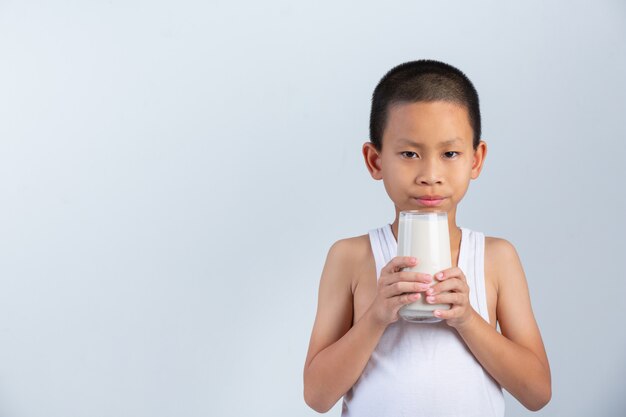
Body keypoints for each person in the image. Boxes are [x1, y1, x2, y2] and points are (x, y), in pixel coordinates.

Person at [303, 59, 551, 416]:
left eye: (450, 153)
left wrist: (467, 318)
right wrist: (376, 316)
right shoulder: (351, 258)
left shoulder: (496, 258)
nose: (430, 175)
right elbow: (318, 396)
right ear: (375, 161)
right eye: (409, 154)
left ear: (476, 160)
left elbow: (537, 393)